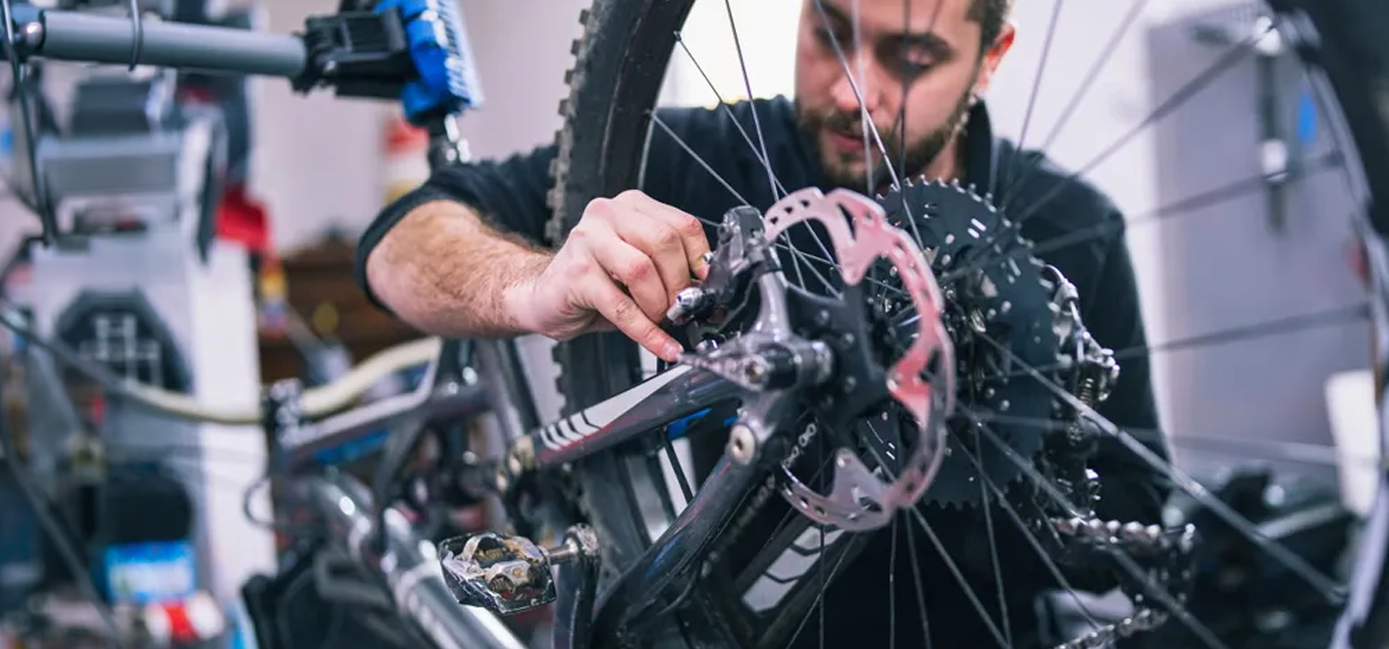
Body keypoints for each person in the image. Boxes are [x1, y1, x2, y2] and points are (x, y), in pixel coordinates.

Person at [358, 0, 1169, 645]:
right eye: (827, 32)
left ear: (989, 60)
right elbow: (400, 242)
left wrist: (1003, 440)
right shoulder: (703, 156)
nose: (854, 89)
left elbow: (1132, 503)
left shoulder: (1071, 231)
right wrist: (532, 284)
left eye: (910, 58)